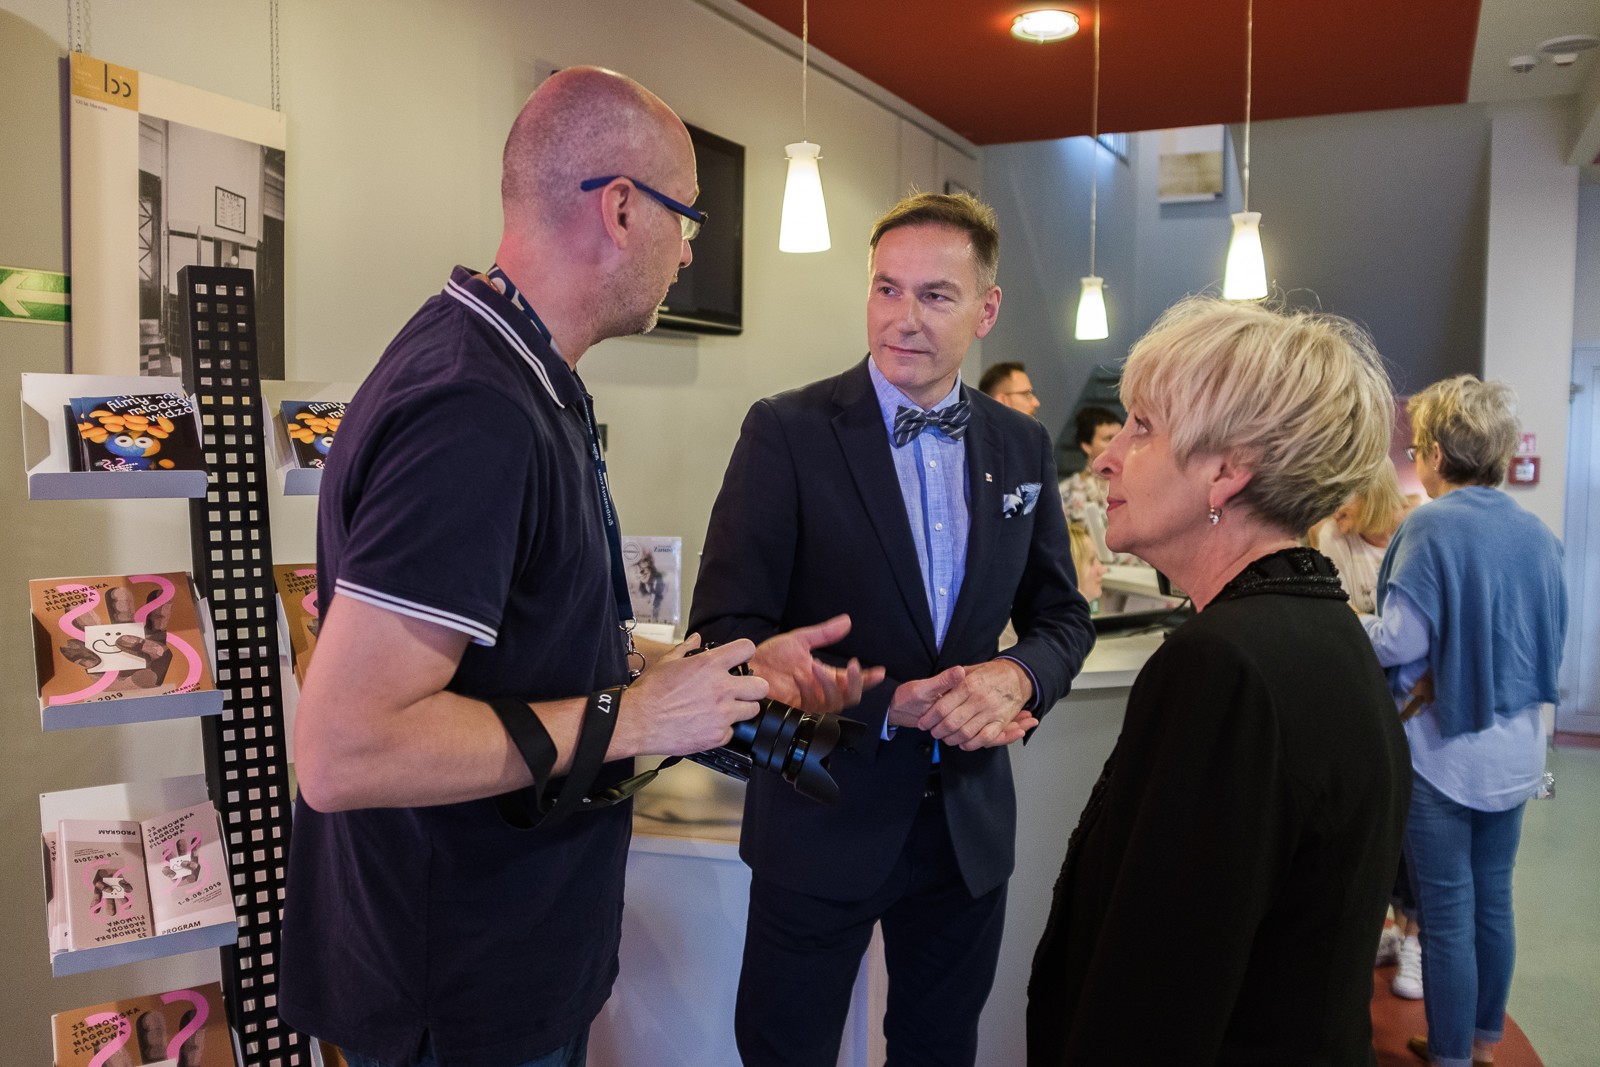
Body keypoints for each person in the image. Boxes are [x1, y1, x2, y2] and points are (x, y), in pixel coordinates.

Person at [280, 67, 878, 1067]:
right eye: (688, 216)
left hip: (506, 960)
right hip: (453, 989)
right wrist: (638, 718)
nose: (690, 249)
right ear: (622, 208)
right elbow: (346, 750)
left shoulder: (522, 374)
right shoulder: (473, 408)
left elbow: (521, 647)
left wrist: (699, 677)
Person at [690, 191, 1096, 1067]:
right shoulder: (785, 431)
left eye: (935, 295)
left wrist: (1017, 675)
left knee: (938, 1050)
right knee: (785, 1051)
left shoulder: (1021, 446)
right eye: (886, 288)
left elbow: (1063, 615)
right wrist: (879, 706)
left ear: (986, 308)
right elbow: (722, 636)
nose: (902, 317)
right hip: (819, 813)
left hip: (966, 829)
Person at [1027, 296, 1411, 1065]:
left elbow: (1158, 987)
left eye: (1142, 426)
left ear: (1228, 470)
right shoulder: (1322, 629)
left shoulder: (1224, 665)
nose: (1106, 457)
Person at [1363, 376, 1567, 1067]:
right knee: (1493, 901)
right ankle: (1481, 1043)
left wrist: (1348, 623)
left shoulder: (1430, 524)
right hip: (1518, 748)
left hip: (1443, 750)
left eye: (1416, 447)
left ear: (1435, 453)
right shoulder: (1537, 534)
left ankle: (1448, 1056)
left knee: (1447, 911)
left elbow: (1401, 641)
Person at [1310, 458, 1407, 614]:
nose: (1331, 509)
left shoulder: (1411, 531)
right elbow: (1342, 610)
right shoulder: (1332, 536)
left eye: (1341, 494)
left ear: (1372, 493)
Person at [1059, 404, 1121, 524]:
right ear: (1086, 446)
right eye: (1108, 439)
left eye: (1120, 437)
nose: (1117, 444)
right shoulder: (1067, 492)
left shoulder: (1136, 483)